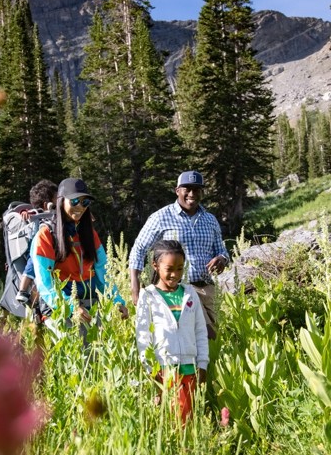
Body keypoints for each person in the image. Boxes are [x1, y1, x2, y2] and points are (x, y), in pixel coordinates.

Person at [128, 170, 229, 338]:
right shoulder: (161, 217)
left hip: (207, 288)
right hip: (178, 289)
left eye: (196, 189)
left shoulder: (210, 219)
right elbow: (139, 249)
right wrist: (135, 288)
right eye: (187, 189)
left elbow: (222, 250)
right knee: (203, 334)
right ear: (177, 191)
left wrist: (222, 259)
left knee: (216, 339)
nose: (191, 194)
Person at [29, 177, 127, 329]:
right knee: (72, 351)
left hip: (89, 303)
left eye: (85, 202)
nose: (80, 207)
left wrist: (117, 301)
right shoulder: (45, 235)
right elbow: (45, 284)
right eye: (74, 201)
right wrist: (72, 307)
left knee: (93, 351)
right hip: (58, 308)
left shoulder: (89, 234)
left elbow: (103, 272)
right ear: (61, 201)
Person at [135, 239, 209, 424]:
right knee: (172, 419)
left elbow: (200, 331)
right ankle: (179, 451)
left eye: (180, 268)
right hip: (164, 369)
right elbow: (143, 337)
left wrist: (203, 364)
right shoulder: (148, 296)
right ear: (155, 265)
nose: (175, 274)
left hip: (190, 367)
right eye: (169, 269)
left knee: (188, 418)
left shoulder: (190, 293)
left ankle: (187, 451)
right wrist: (151, 369)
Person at [15, 179, 58, 307]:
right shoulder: (38, 213)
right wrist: (25, 213)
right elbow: (28, 213)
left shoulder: (57, 214)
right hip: (37, 248)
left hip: (51, 247)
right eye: (57, 198)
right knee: (32, 266)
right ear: (47, 204)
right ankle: (22, 290)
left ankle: (37, 299)